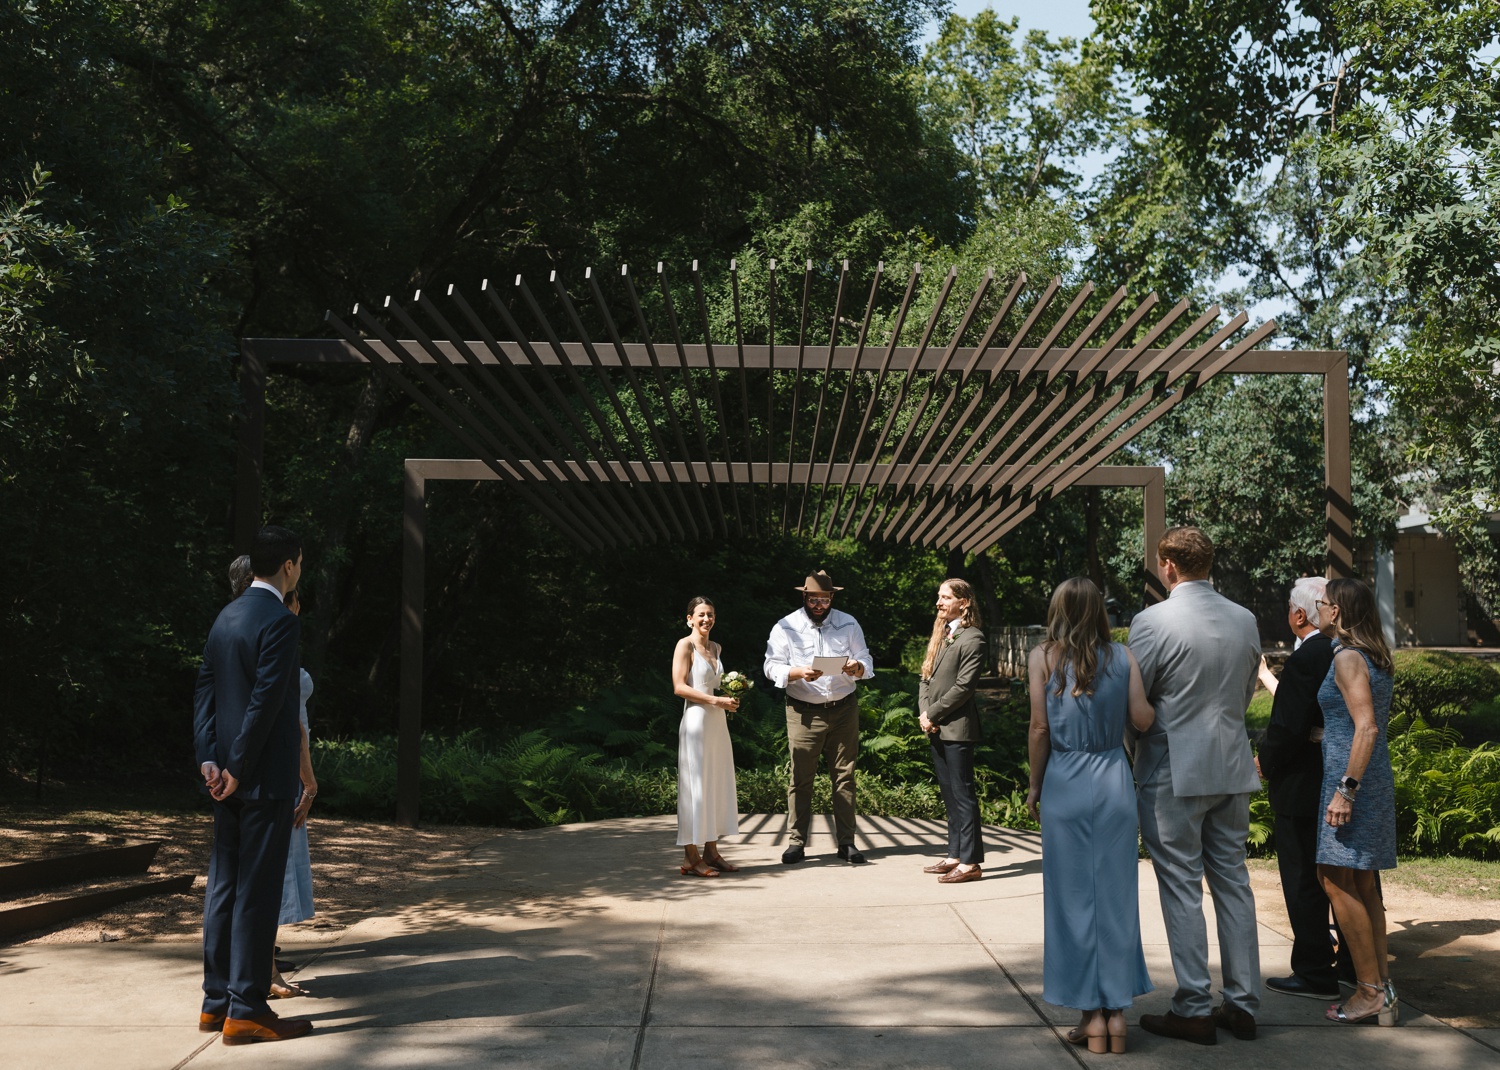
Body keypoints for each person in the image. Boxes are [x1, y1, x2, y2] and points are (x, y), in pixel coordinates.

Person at [1128, 526, 1263, 1045]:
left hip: (1171, 768)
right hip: (1230, 764)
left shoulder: (1152, 620)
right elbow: (1248, 686)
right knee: (1233, 882)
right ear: (1209, 563)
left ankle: (1192, 1005)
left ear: (1167, 565)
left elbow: (1135, 697)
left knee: (1182, 886)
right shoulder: (1245, 619)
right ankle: (1243, 1003)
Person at [193, 527, 313, 1045]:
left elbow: (205, 689)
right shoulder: (279, 621)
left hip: (226, 777)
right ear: (288, 565)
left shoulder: (228, 615)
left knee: (223, 887)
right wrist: (239, 765)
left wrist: (210, 761)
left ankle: (214, 1003)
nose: (301, 571)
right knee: (257, 893)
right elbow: (265, 703)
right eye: (301, 563)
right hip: (262, 779)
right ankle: (246, 1009)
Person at [1026, 577, 1156, 1054]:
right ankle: (1117, 1017)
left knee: (1072, 900)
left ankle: (1090, 1017)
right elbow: (1142, 718)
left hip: (1064, 780)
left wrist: (1035, 784)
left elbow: (1040, 727)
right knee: (1116, 899)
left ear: (1057, 609)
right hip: (1113, 779)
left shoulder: (1042, 657)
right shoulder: (1123, 657)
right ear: (1100, 611)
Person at [1315, 578, 1399, 1026]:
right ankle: (1381, 989)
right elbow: (1356, 724)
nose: (1319, 609)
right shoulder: (1375, 655)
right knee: (1364, 883)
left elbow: (1365, 727)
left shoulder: (1347, 657)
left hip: (1352, 783)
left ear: (1338, 612)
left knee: (1332, 877)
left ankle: (1367, 991)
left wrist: (1345, 790)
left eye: (1323, 603)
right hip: (1372, 776)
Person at [1255, 577, 1343, 1000]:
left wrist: (1265, 762)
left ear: (1299, 614)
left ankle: (1314, 971)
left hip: (1302, 783)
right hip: (1333, 778)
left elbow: (1288, 725)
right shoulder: (1344, 651)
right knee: (1343, 876)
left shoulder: (1310, 656)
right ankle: (1347, 964)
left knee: (1303, 878)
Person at [764, 570, 874, 865]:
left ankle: (847, 843)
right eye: (813, 599)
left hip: (843, 709)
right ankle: (796, 843)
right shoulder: (786, 626)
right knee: (801, 779)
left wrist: (857, 668)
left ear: (831, 598)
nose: (818, 605)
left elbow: (866, 659)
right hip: (803, 711)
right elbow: (771, 666)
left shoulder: (849, 623)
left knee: (844, 777)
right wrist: (797, 672)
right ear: (804, 597)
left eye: (824, 599)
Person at [917, 578, 988, 884]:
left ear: (965, 602)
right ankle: (955, 854)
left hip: (957, 729)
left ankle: (971, 863)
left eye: (946, 597)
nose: (939, 602)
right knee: (949, 794)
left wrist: (933, 712)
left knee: (963, 795)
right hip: (934, 726)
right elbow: (925, 677)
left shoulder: (974, 639)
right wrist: (924, 713)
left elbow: (963, 688)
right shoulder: (942, 634)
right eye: (938, 596)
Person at [672, 596, 741, 877]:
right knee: (694, 787)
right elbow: (679, 687)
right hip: (697, 721)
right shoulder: (684, 645)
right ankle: (691, 855)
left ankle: (712, 852)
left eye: (710, 614)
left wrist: (731, 697)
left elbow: (716, 685)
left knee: (714, 784)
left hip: (717, 724)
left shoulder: (716, 647)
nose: (706, 619)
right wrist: (715, 702)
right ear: (689, 618)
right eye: (700, 614)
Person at [271, 586, 318, 996]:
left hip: (275, 767)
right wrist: (309, 781)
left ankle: (264, 952)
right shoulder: (279, 639)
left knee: (273, 863)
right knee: (275, 865)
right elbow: (295, 725)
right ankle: (264, 964)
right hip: (284, 768)